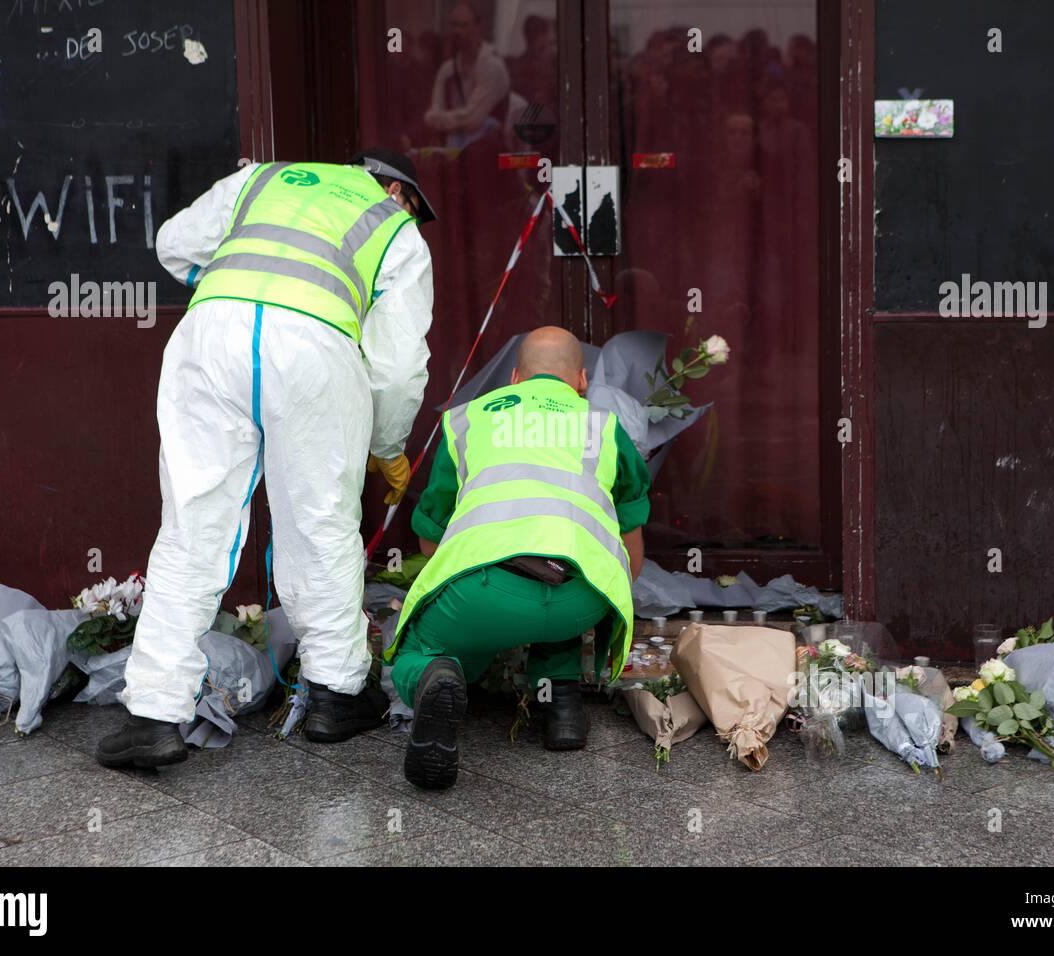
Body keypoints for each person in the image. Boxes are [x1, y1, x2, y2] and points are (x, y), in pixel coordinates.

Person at [96, 148, 437, 768]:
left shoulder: (261, 179)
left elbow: (174, 243)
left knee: (192, 528)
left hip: (210, 337)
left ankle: (152, 714)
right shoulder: (397, 231)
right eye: (412, 201)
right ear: (394, 188)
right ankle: (336, 696)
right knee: (320, 523)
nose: (409, 211)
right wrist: (386, 446)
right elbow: (396, 367)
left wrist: (240, 289)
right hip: (315, 351)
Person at [385, 326, 650, 790]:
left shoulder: (466, 420)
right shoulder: (604, 427)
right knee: (563, 569)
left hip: (484, 592)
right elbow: (632, 552)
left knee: (418, 649)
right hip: (580, 597)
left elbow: (430, 540)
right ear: (582, 381)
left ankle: (435, 674)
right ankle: (562, 707)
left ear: (513, 379)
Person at [424, 2, 511, 149]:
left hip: (487, 154)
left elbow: (473, 121)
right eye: (454, 25)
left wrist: (440, 120)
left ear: (478, 27)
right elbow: (432, 116)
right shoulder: (447, 70)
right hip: (455, 157)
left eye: (464, 25)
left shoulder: (492, 66)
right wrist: (446, 120)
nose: (458, 31)